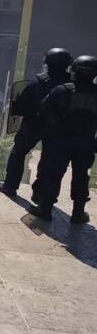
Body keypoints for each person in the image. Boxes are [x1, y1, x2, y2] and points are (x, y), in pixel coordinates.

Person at [28, 55, 97, 224]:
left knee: (53, 174)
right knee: (81, 176)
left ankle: (45, 209)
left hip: (60, 141)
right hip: (86, 142)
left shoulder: (62, 90)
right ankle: (78, 213)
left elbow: (43, 109)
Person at [0, 48, 72, 198]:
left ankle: (10, 186)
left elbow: (21, 105)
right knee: (48, 161)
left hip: (33, 124)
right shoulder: (72, 85)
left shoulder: (38, 82)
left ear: (47, 63)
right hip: (58, 129)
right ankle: (39, 194)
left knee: (18, 153)